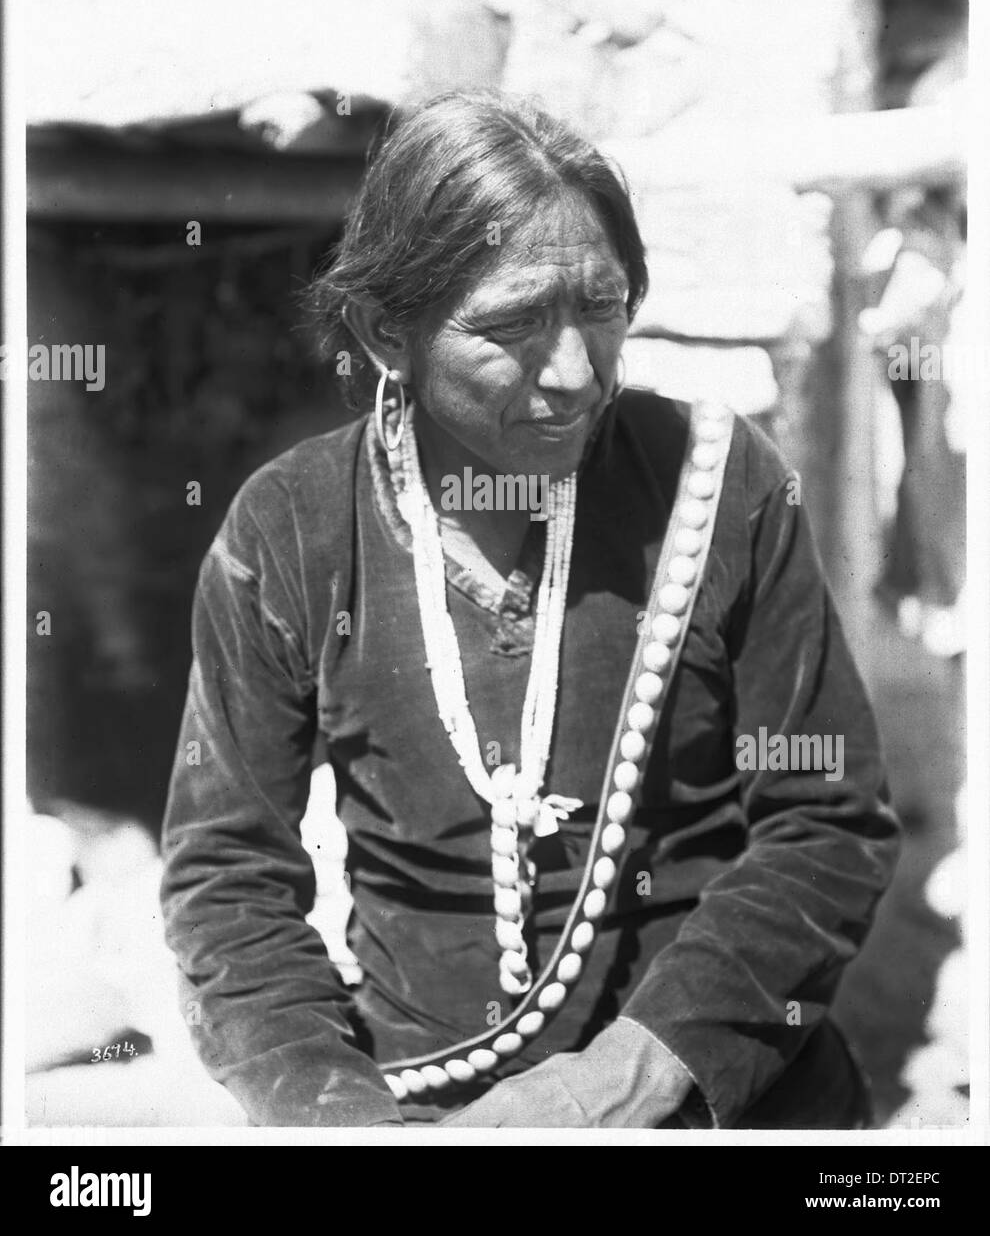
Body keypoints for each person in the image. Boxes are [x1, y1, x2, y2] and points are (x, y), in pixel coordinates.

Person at [160, 91, 900, 1129]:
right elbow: (226, 873)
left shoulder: (721, 488)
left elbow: (827, 821)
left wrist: (634, 1072)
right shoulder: (290, 530)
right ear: (387, 334)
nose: (575, 373)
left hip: (712, 1098)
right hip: (419, 1107)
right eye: (511, 326)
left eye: (602, 309)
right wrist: (331, 1108)